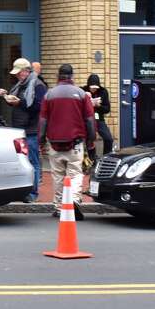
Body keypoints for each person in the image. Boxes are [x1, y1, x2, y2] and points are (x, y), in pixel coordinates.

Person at [39, 64, 95, 219]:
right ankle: (75, 200)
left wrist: (41, 140)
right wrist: (90, 142)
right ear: (72, 76)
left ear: (59, 76)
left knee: (57, 176)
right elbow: (90, 120)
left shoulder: (49, 95)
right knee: (76, 174)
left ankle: (58, 207)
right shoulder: (81, 94)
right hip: (75, 143)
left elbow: (43, 120)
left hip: (54, 143)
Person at [0, 58, 47, 202]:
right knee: (22, 161)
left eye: (19, 73)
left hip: (31, 129)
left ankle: (33, 193)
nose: (16, 76)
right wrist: (6, 97)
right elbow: (18, 104)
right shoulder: (20, 85)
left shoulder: (38, 85)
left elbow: (39, 107)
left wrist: (19, 102)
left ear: (27, 71)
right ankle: (24, 191)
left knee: (32, 161)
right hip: (20, 128)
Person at [85, 73, 114, 158]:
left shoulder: (103, 91)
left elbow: (107, 109)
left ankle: (106, 158)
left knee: (108, 139)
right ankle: (92, 158)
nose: (94, 89)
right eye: (92, 88)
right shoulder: (83, 90)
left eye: (95, 88)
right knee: (89, 139)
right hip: (87, 120)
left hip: (99, 119)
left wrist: (98, 106)